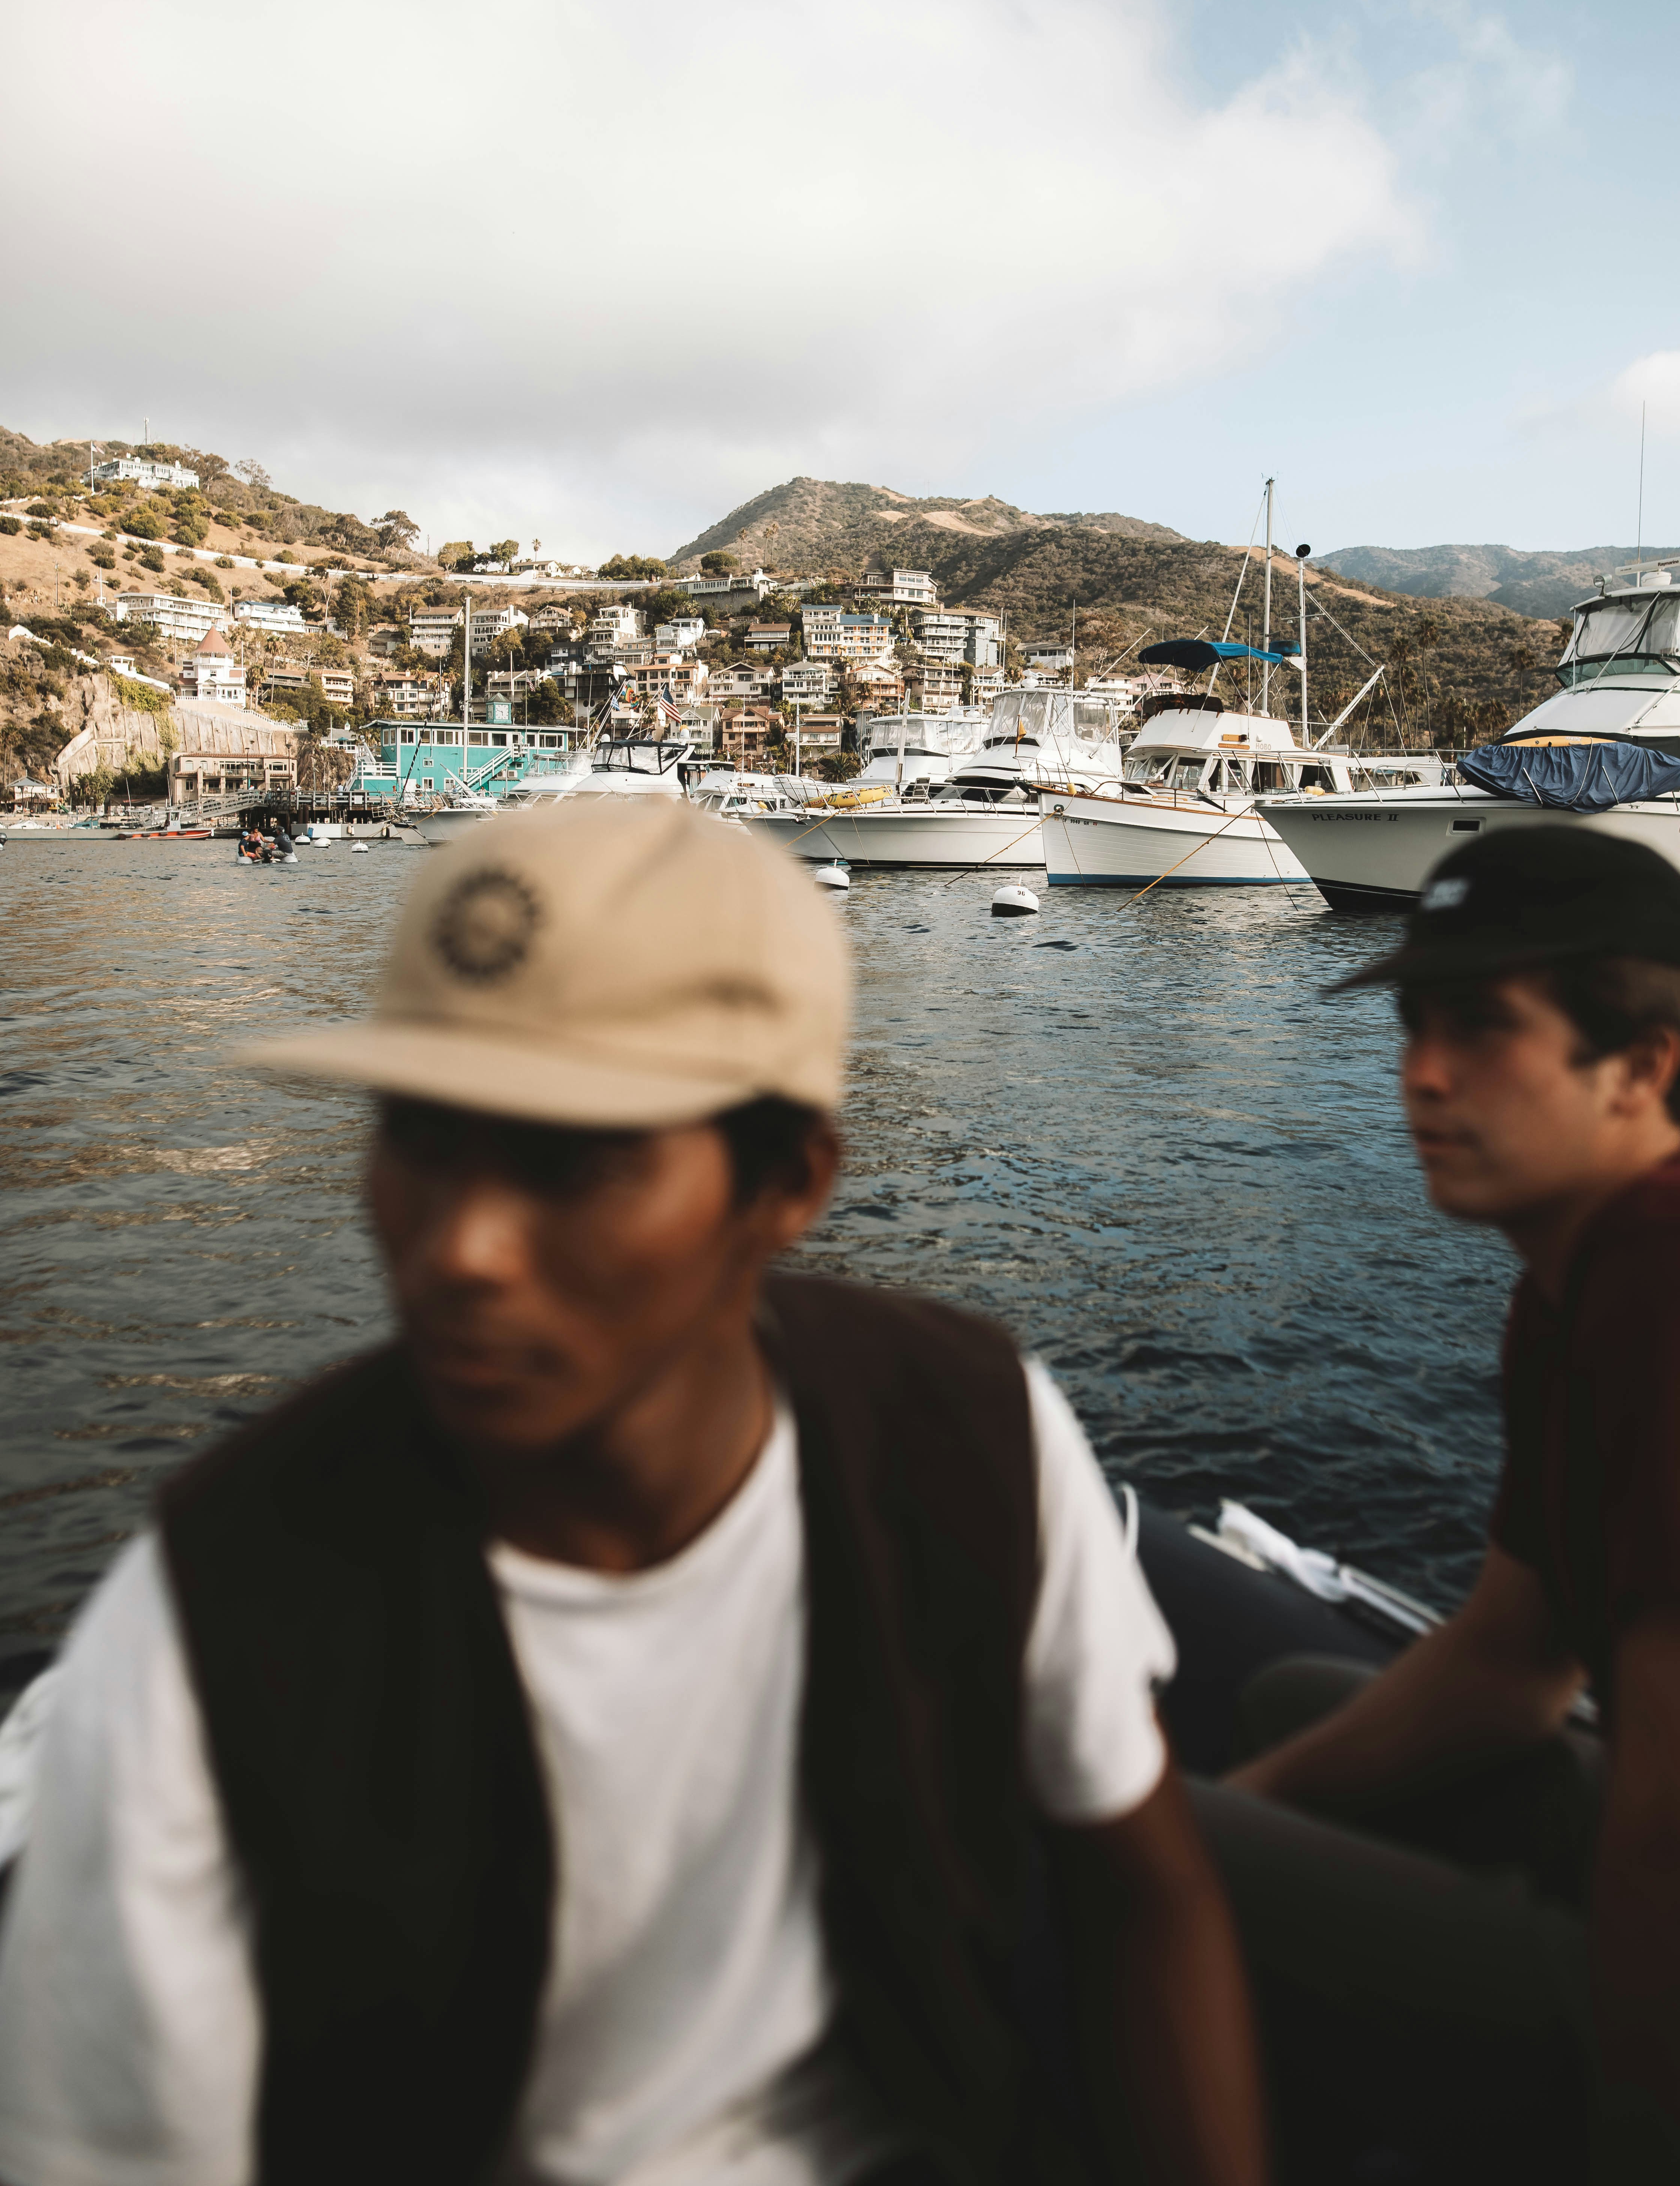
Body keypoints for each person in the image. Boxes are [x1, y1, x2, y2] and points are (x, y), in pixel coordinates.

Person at [0, 799, 1266, 2186]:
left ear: (787, 1184)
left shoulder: (963, 1430)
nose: (466, 1251)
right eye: (422, 1136)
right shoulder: (215, 1624)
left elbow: (1140, 1892)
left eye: (572, 1160)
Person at [1195, 826, 1680, 2181]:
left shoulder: (1661, 1284)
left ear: (1644, 1065)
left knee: (1146, 1858)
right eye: (1414, 1023)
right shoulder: (1576, 1272)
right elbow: (1517, 1660)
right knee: (1290, 1704)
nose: (1420, 1075)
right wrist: (1260, 1800)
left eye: (1481, 1028)